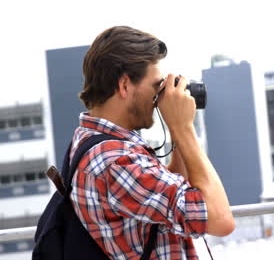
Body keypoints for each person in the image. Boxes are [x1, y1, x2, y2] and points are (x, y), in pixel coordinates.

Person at [71, 25, 235, 259]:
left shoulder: (94, 140)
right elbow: (220, 220)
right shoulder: (115, 161)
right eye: (156, 85)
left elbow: (168, 192)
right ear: (124, 85)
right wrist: (184, 128)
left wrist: (176, 129)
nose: (161, 96)